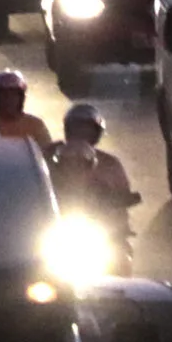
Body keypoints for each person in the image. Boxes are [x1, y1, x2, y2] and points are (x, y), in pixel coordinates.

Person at [46, 104, 140, 270]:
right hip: (58, 229)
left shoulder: (111, 164)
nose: (82, 134)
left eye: (87, 129)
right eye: (77, 128)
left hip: (101, 230)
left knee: (122, 256)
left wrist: (120, 204)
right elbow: (35, 188)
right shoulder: (48, 157)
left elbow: (123, 196)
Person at [0, 70, 54, 155]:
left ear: (21, 98)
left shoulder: (35, 124)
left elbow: (47, 154)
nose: (9, 100)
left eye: (14, 95)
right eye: (4, 95)